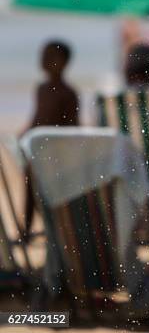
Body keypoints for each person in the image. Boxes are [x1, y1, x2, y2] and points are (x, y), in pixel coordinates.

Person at [22, 40, 79, 241]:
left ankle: (56, 227)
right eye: (43, 56)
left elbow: (73, 126)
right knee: (29, 182)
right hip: (38, 148)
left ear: (64, 62)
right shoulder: (41, 88)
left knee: (52, 191)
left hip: (56, 150)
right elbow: (37, 117)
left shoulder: (68, 92)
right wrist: (25, 132)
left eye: (50, 57)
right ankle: (26, 228)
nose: (44, 61)